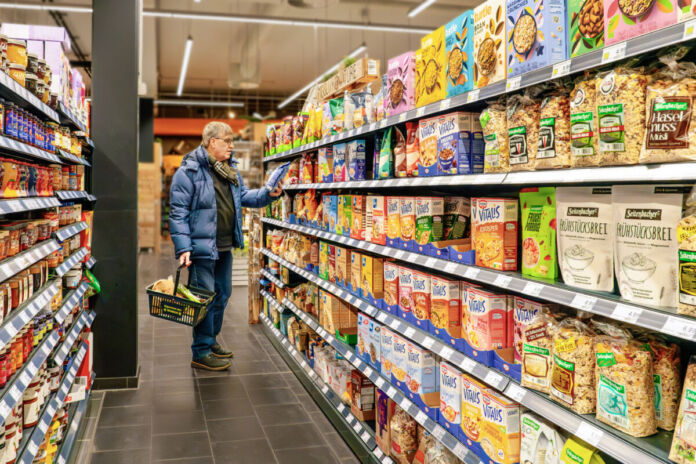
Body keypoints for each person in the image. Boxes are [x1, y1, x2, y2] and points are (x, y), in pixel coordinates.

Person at [169, 121, 282, 371]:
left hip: (223, 245)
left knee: (222, 294)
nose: (232, 145)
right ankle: (200, 351)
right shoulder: (188, 172)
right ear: (212, 142)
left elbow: (242, 197)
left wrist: (267, 194)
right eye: (227, 141)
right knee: (203, 299)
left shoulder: (229, 170)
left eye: (232, 141)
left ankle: (211, 341)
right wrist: (183, 247)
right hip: (201, 248)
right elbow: (177, 213)